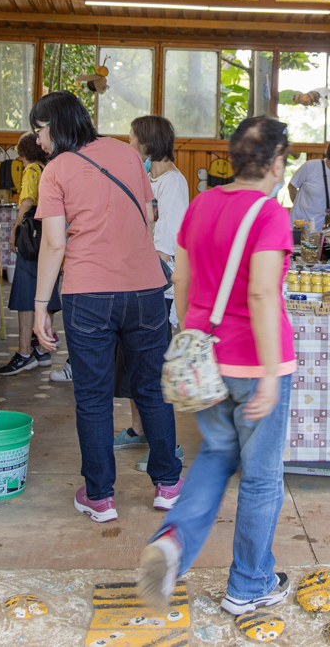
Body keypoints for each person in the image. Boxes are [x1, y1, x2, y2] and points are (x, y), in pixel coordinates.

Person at [139, 116, 296, 616]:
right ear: (276, 163)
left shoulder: (202, 205)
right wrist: (270, 373)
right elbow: (262, 292)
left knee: (213, 455)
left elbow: (180, 284)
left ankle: (172, 543)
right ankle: (249, 584)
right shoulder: (270, 214)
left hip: (208, 362)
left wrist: (198, 338)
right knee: (261, 477)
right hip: (256, 363)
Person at [30, 91, 182, 522]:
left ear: (54, 125)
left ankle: (100, 496)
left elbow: (55, 243)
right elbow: (149, 218)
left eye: (38, 131)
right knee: (152, 388)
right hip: (146, 290)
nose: (37, 140)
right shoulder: (125, 153)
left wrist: (42, 307)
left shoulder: (55, 171)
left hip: (88, 295)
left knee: (93, 397)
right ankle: (168, 484)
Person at [113, 116, 190, 468]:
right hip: (137, 280)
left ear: (147, 144)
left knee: (155, 370)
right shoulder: (147, 178)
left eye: (132, 141)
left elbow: (166, 246)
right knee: (132, 364)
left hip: (157, 285)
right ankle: (138, 429)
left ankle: (167, 446)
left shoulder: (172, 183)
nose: (129, 147)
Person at [0, 133, 59, 376]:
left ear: (25, 153)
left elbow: (27, 202)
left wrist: (14, 232)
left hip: (32, 235)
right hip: (49, 233)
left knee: (25, 294)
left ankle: (24, 353)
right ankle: (43, 350)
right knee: (46, 290)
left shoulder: (32, 170)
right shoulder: (50, 168)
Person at [288, 137, 330, 231]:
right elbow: (292, 186)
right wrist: (298, 206)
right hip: (299, 223)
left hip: (322, 228)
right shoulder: (311, 166)